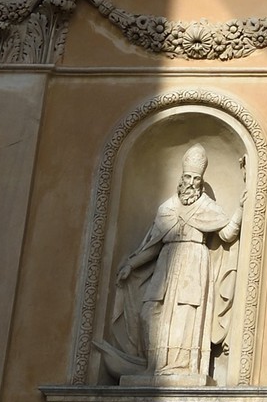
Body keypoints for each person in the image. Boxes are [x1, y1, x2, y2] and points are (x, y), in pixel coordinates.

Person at [100, 142, 242, 385]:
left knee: (186, 314)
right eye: (187, 177)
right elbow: (153, 246)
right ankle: (153, 367)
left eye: (196, 178)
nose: (191, 182)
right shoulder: (167, 209)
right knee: (149, 312)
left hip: (193, 263)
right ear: (181, 177)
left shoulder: (207, 207)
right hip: (166, 263)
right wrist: (131, 265)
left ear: (201, 181)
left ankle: (182, 369)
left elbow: (227, 234)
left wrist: (240, 209)